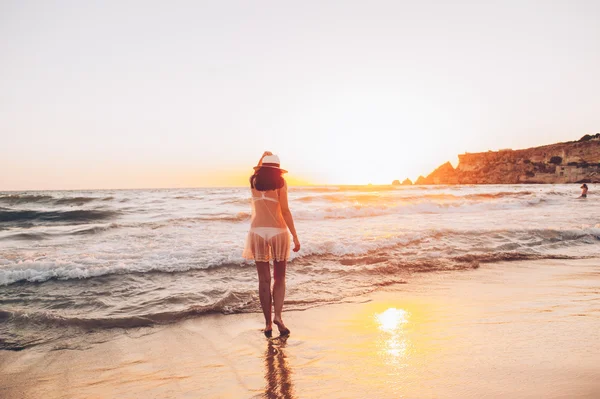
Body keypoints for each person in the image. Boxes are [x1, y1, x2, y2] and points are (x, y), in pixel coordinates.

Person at [243, 151, 300, 338]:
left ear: (261, 168)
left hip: (257, 233)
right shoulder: (281, 183)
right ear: (278, 170)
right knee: (280, 278)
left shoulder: (253, 182)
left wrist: (261, 158)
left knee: (263, 280)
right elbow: (285, 210)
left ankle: (267, 324)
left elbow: (258, 171)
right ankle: (278, 317)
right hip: (278, 232)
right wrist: (295, 235)